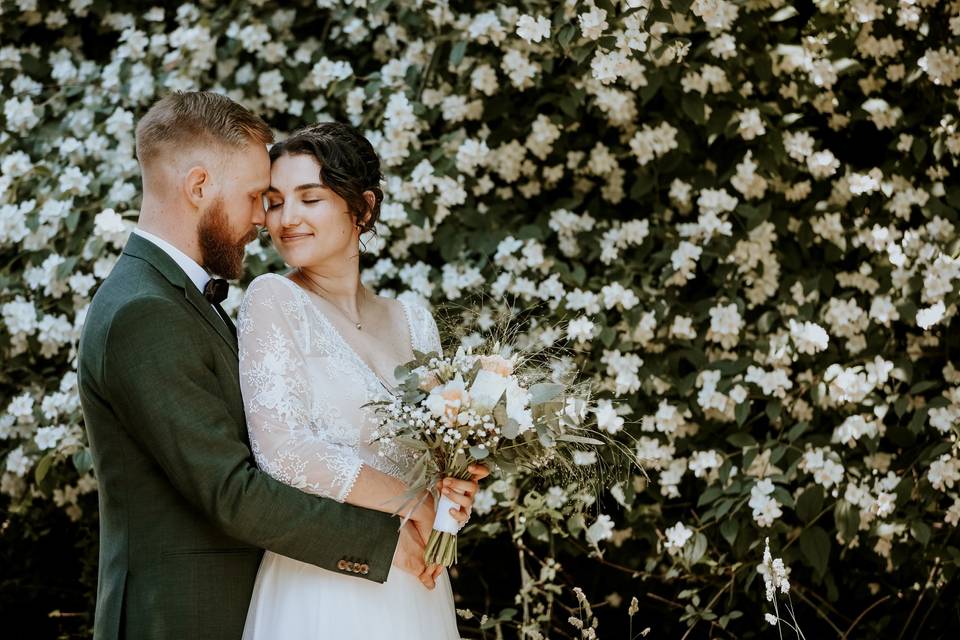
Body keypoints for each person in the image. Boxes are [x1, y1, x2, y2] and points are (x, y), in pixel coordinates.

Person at [77, 91, 484, 640]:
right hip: (189, 614)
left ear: (361, 208)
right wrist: (397, 527)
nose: (267, 220)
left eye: (303, 198)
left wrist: (448, 483)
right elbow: (235, 488)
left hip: (381, 590)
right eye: (260, 197)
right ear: (199, 187)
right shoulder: (146, 310)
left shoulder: (181, 299)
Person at [238, 123, 470, 639]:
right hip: (322, 585)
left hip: (417, 586)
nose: (286, 219)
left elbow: (439, 457)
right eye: (275, 202)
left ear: (361, 209)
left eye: (310, 198)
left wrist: (453, 493)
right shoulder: (273, 299)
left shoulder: (414, 320)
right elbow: (282, 450)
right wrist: (413, 501)